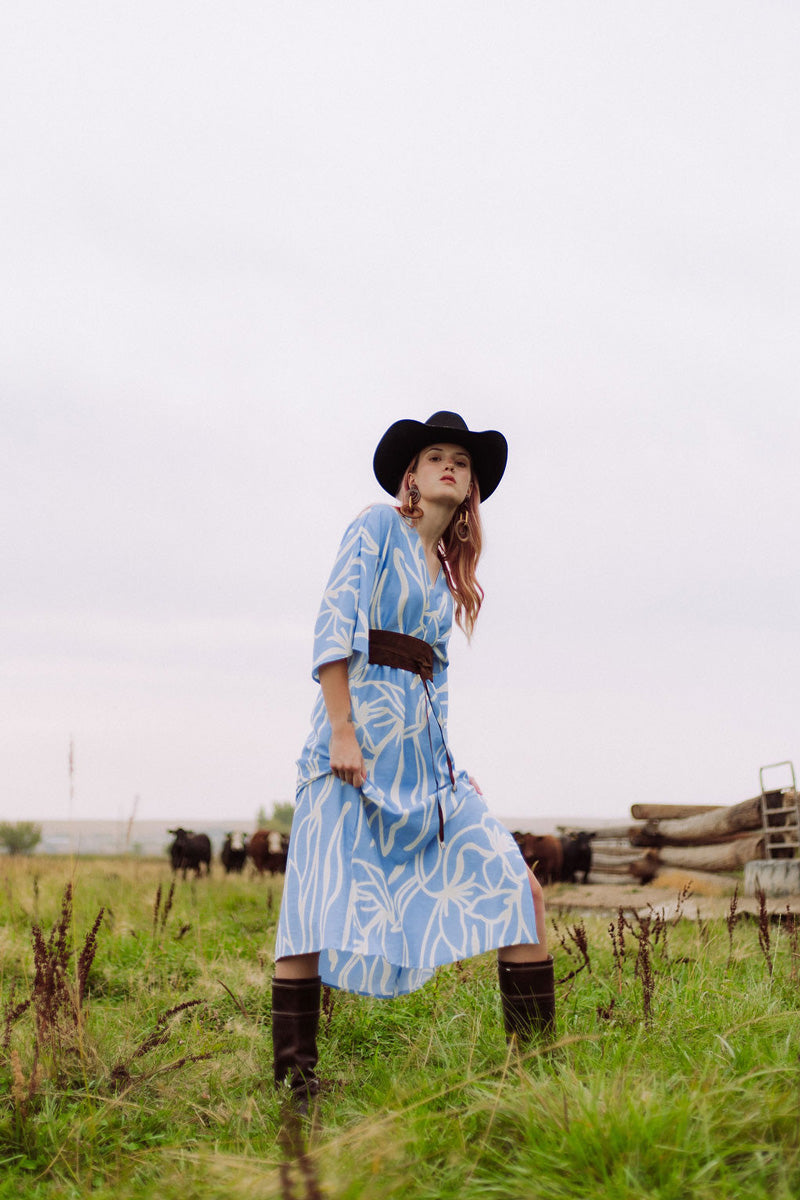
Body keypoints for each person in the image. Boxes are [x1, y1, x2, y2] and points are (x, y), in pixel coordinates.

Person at [271, 411, 554, 1109]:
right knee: (310, 911)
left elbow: (434, 689)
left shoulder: (443, 575)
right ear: (411, 477)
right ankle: (296, 1084)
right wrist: (341, 730)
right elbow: (333, 627)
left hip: (425, 774)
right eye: (436, 456)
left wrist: (454, 770)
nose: (451, 465)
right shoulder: (374, 529)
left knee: (524, 893)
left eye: (461, 459)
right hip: (347, 758)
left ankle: (538, 1071)